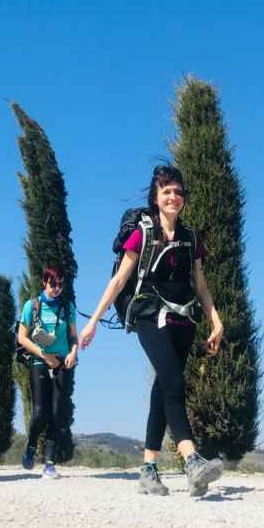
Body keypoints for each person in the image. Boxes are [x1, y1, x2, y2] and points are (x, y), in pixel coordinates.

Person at [80, 165, 225, 497]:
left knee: (163, 390)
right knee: (174, 382)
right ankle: (192, 461)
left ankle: (148, 469)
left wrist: (216, 320)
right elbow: (118, 281)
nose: (174, 197)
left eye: (178, 191)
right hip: (148, 314)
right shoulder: (143, 233)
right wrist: (92, 323)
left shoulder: (191, 238)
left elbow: (200, 285)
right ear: (156, 197)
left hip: (183, 318)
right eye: (167, 191)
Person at [16, 266, 79, 479]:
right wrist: (44, 356)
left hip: (63, 362)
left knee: (56, 413)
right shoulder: (31, 306)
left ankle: (49, 463)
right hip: (39, 360)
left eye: (61, 284)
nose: (57, 288)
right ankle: (31, 444)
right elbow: (22, 337)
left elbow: (73, 336)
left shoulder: (67, 306)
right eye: (53, 284)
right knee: (40, 411)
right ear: (44, 282)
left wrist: (73, 352)